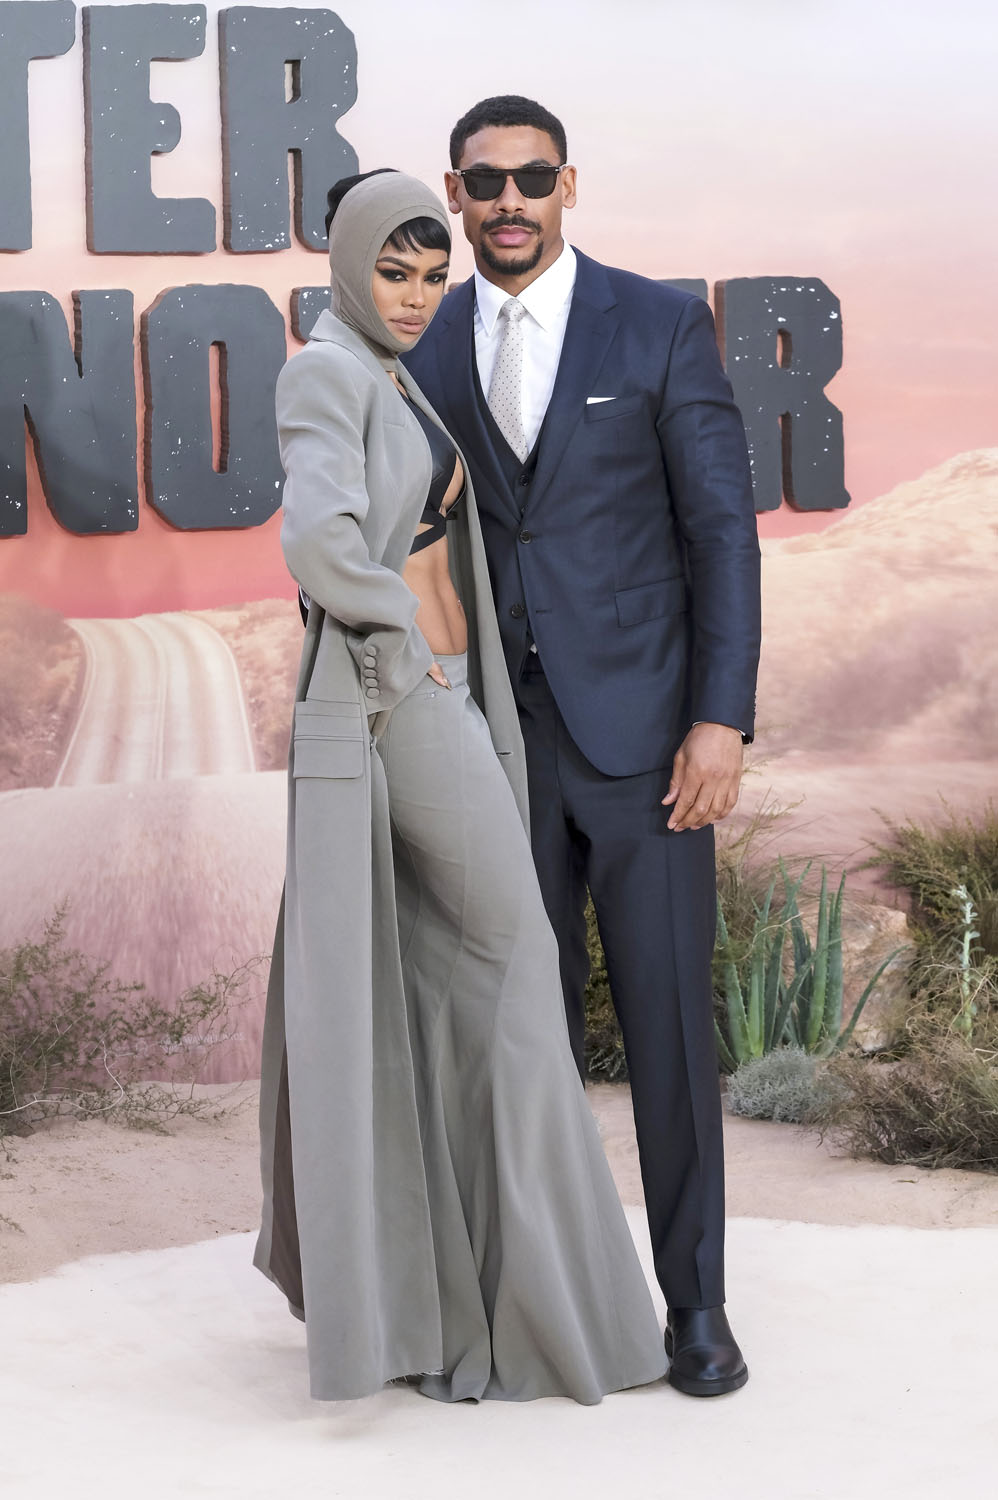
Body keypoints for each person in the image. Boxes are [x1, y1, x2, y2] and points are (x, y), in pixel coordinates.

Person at [253, 169, 667, 1405]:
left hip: (449, 700)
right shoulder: (325, 374)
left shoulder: (386, 374)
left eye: (432, 277)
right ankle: (533, 1314)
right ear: (347, 264)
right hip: (406, 704)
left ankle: (463, 1310)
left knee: (451, 986)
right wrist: (414, 659)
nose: (416, 295)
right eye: (393, 271)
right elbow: (319, 541)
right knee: (512, 968)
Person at [403, 97, 762, 1398]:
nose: (508, 199)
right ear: (455, 192)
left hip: (646, 746)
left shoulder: (655, 322)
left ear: (568, 185)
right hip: (491, 750)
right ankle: (539, 1300)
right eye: (485, 180)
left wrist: (718, 718)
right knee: (518, 1035)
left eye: (531, 177)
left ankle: (695, 1307)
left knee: (666, 1034)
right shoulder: (422, 339)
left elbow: (718, 531)